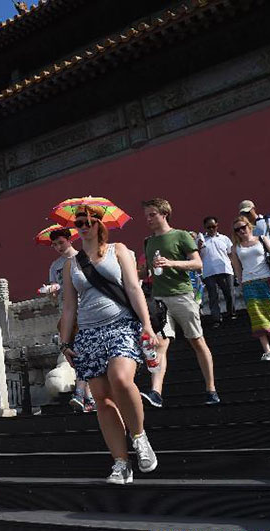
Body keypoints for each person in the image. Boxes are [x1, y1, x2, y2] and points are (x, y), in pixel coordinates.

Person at [58, 205, 158, 485]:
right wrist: (64, 343)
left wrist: (147, 325)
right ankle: (121, 463)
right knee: (102, 398)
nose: (83, 226)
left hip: (121, 324)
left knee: (121, 378)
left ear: (100, 224)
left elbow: (134, 288)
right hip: (88, 333)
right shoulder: (71, 264)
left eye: (88, 221)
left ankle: (139, 437)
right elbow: (69, 307)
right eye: (78, 222)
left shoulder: (119, 250)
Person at [140, 198, 220, 407]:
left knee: (197, 341)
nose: (148, 219)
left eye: (152, 215)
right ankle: (156, 392)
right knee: (160, 345)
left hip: (182, 295)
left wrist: (171, 263)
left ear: (164, 214)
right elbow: (146, 271)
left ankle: (211, 389)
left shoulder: (181, 235)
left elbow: (197, 263)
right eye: (146, 215)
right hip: (159, 299)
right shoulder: (148, 242)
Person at [44, 229, 95, 413]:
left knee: (85, 351)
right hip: (66, 314)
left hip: (86, 310)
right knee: (77, 353)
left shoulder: (82, 258)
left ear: (69, 240)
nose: (58, 247)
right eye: (54, 245)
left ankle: (84, 394)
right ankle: (86, 396)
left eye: (61, 242)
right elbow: (54, 297)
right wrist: (51, 293)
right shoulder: (54, 266)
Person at [230, 217, 270, 359]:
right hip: (249, 283)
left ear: (249, 226)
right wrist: (241, 285)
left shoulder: (262, 239)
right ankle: (267, 350)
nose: (241, 231)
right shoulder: (235, 248)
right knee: (257, 316)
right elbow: (237, 269)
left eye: (243, 227)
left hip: (267, 280)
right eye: (237, 230)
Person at [197, 216, 236, 326]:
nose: (211, 229)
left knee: (229, 293)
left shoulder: (224, 238)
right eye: (208, 227)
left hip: (225, 269)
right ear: (205, 227)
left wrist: (235, 269)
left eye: (213, 226)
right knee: (213, 296)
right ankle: (216, 319)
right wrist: (199, 247)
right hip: (208, 272)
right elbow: (195, 256)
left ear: (217, 226)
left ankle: (231, 314)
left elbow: (231, 254)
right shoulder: (200, 240)